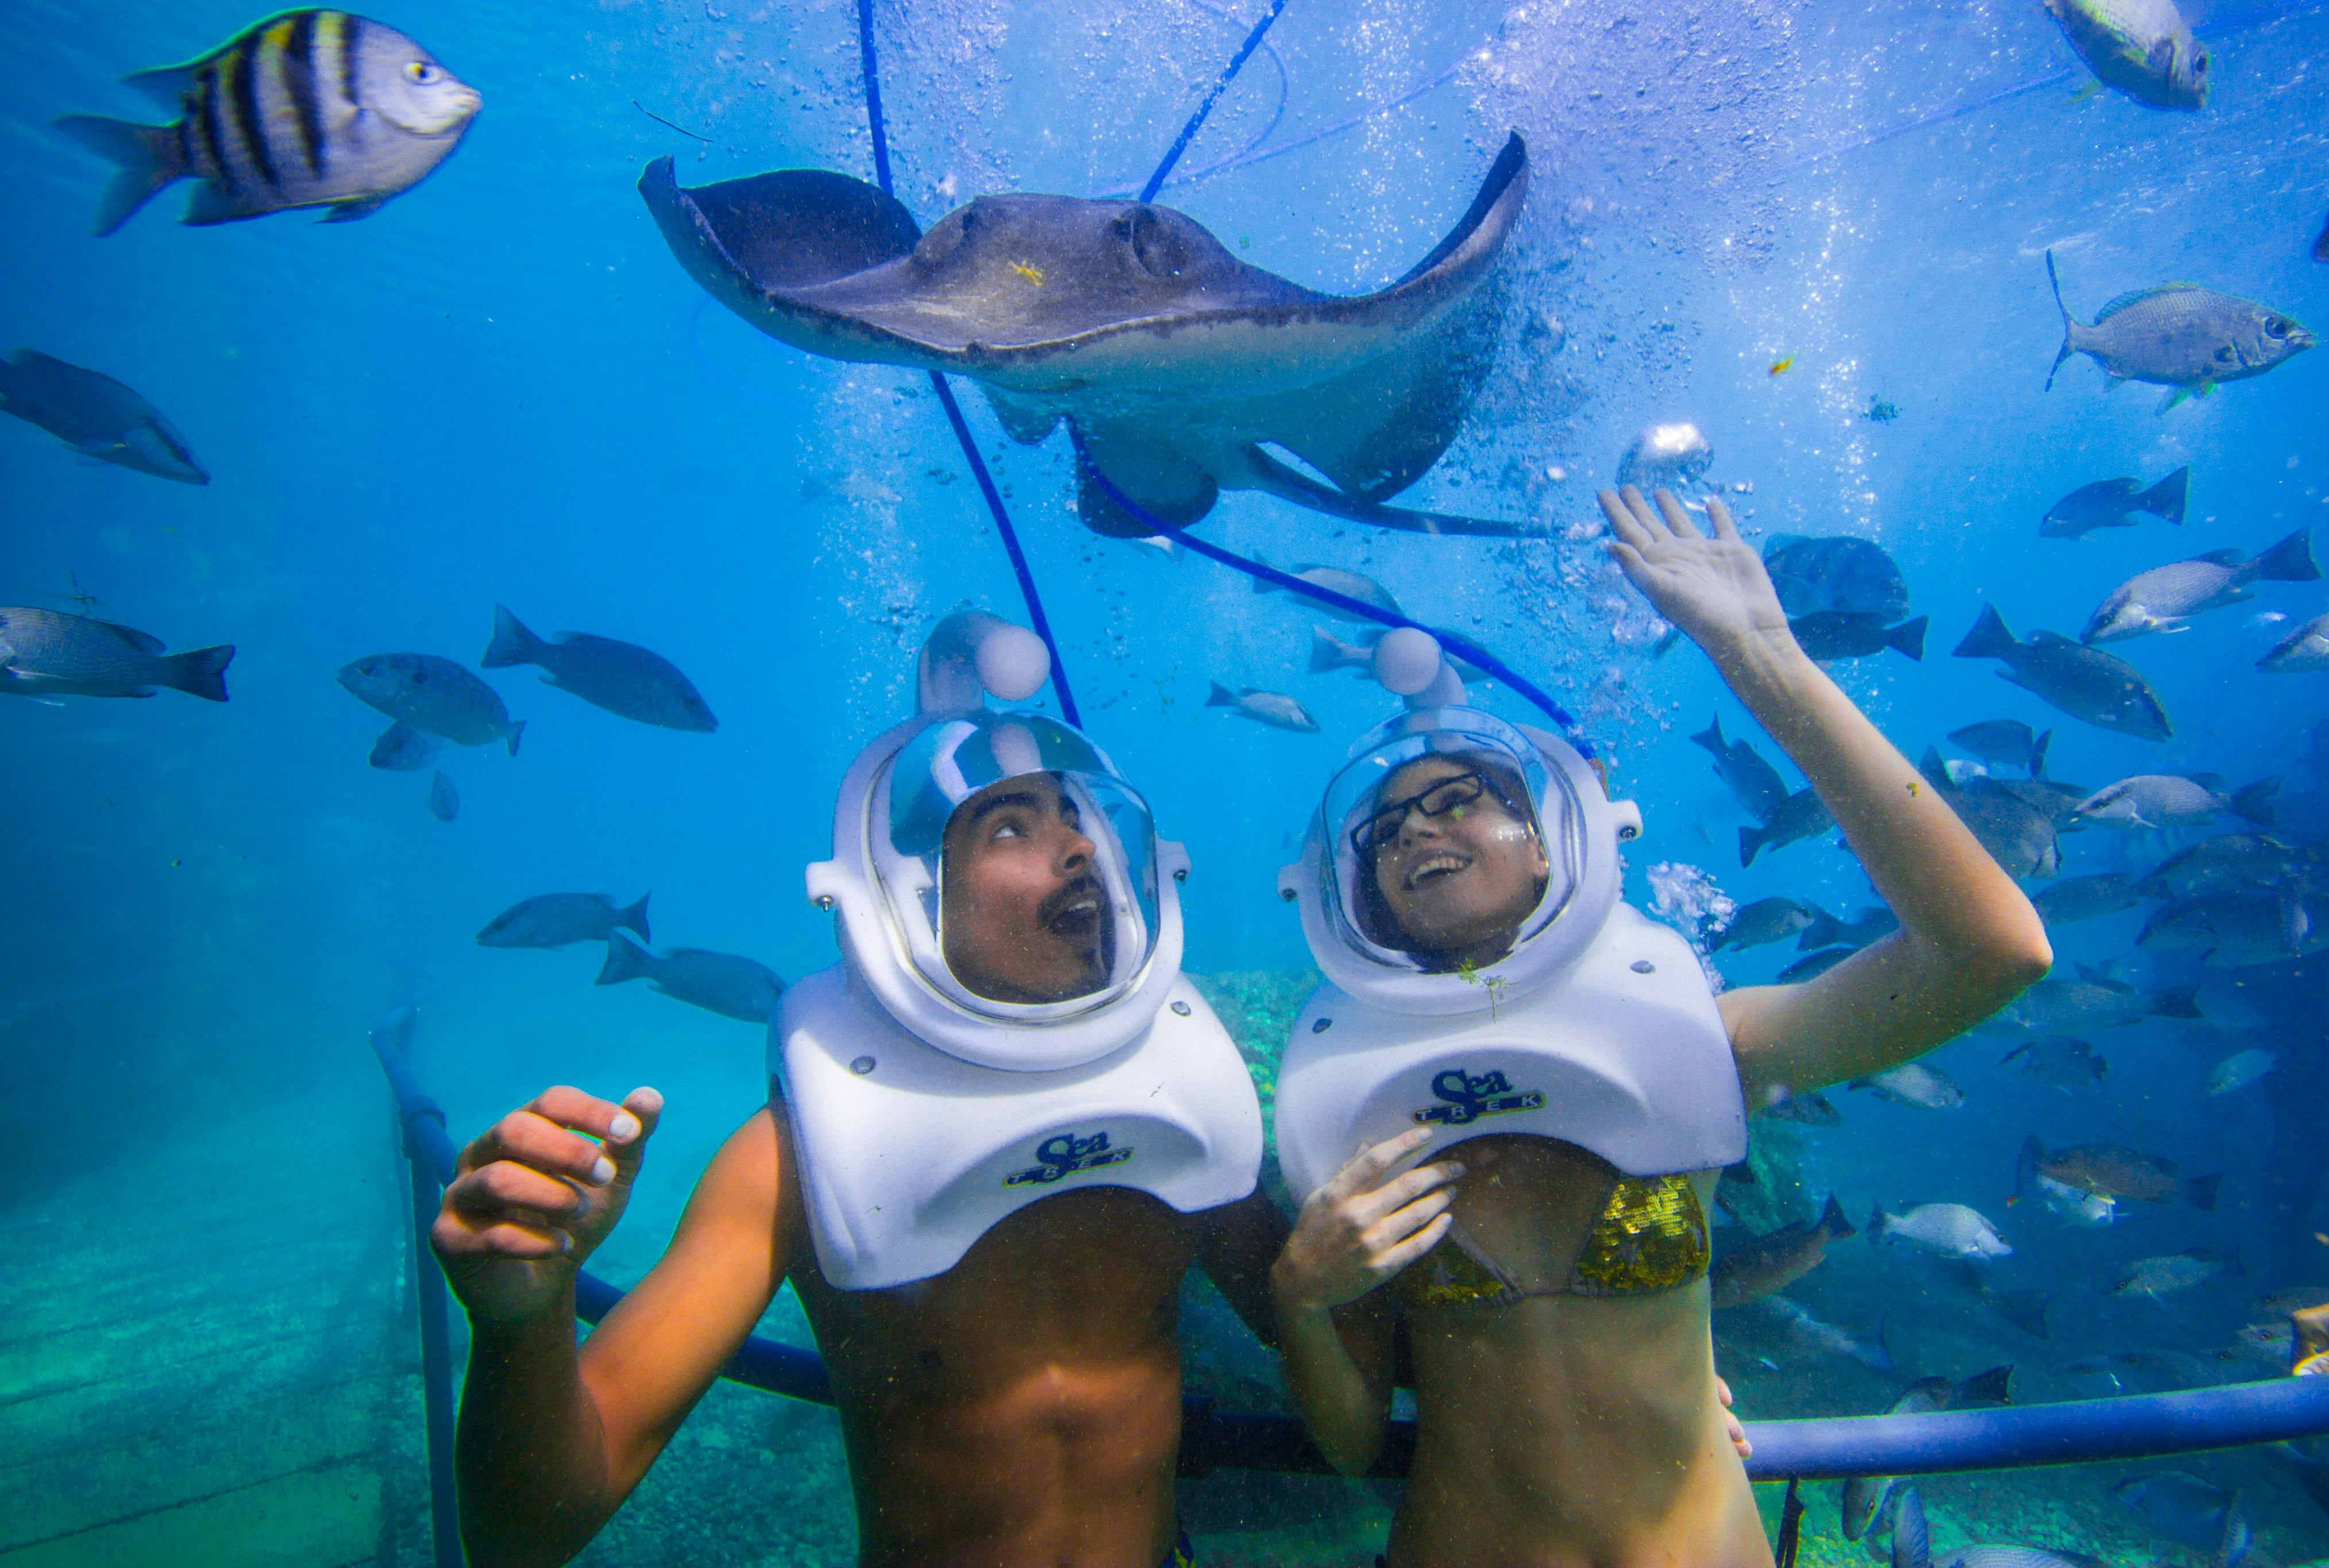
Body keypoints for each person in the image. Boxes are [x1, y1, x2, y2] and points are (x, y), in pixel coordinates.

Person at [1266, 487, 2054, 1567]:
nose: (1417, 829)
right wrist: (1303, 1297)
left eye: (1456, 799)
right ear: (1366, 894)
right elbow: (1353, 1445)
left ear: (1549, 842)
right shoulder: (1347, 1093)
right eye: (1389, 829)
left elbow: (1988, 954)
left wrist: (1764, 655)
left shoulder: (1693, 1034)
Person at [432, 612, 1284, 1568]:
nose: (1079, 847)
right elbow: (525, 1531)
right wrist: (522, 1325)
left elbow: (1322, 1334)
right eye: (1011, 826)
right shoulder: (808, 1150)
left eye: (1079, 817)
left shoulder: (1178, 1093)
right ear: (911, 898)